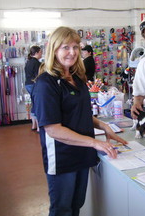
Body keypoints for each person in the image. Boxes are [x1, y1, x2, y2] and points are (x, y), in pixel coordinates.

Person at [31, 26, 128, 216]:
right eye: (65, 47)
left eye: (76, 47)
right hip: (62, 158)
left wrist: (103, 126)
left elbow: (80, 112)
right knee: (62, 209)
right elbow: (53, 129)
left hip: (82, 154)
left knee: (77, 205)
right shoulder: (46, 83)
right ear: (54, 49)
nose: (72, 52)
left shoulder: (77, 78)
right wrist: (94, 142)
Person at [24, 45, 42, 132]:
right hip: (34, 85)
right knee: (37, 104)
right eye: (41, 52)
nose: (41, 54)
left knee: (33, 103)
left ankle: (34, 125)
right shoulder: (37, 63)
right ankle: (39, 126)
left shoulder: (28, 62)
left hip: (27, 84)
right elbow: (39, 76)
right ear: (37, 53)